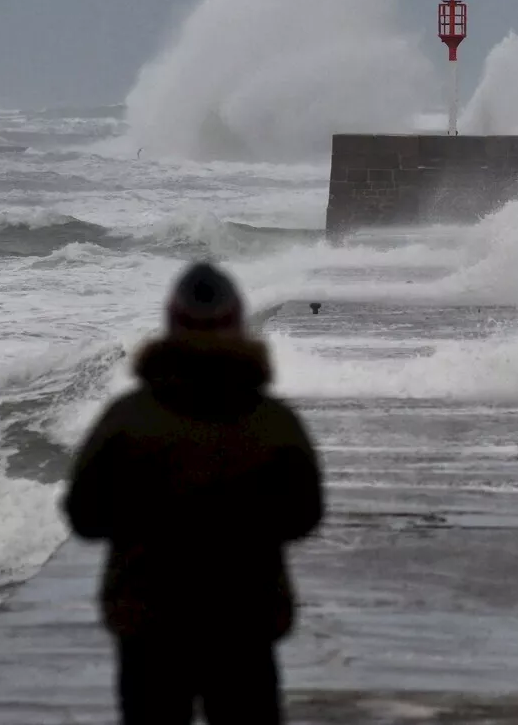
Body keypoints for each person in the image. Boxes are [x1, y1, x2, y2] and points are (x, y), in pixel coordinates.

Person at [63, 261, 324, 725]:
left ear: (170, 320)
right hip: (244, 623)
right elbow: (305, 515)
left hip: (149, 624)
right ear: (238, 320)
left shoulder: (128, 418)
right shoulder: (271, 421)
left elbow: (84, 515)